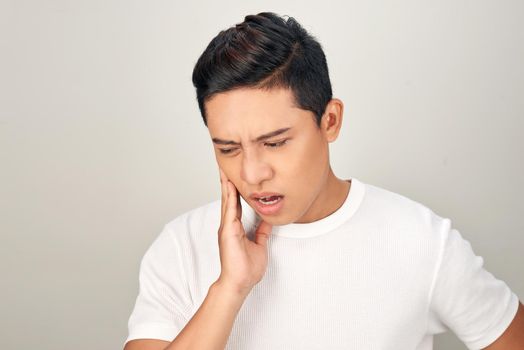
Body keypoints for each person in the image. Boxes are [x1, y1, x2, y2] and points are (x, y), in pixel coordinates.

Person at [123, 12, 523, 350]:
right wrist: (230, 289)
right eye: (228, 149)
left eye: (275, 142)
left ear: (329, 121)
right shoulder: (181, 245)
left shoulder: (421, 240)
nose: (251, 173)